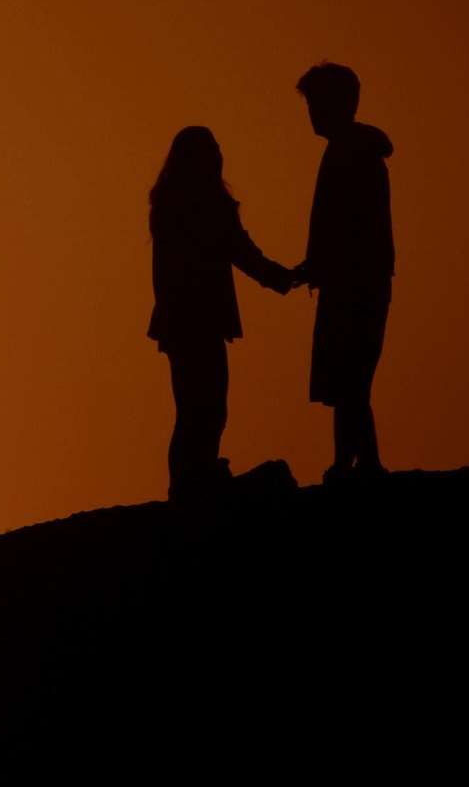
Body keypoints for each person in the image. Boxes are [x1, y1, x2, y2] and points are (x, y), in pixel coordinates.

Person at [148, 126, 298, 500]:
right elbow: (240, 250)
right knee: (206, 405)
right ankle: (191, 482)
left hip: (182, 319)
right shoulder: (201, 204)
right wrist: (280, 277)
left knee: (196, 406)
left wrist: (278, 277)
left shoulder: (169, 203)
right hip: (196, 318)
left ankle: (190, 479)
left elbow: (236, 249)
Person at [291, 63, 394, 484]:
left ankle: (360, 464)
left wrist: (314, 266)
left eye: (316, 103)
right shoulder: (351, 151)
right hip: (354, 280)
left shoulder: (350, 154)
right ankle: (350, 462)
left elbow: (346, 225)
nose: (312, 113)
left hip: (355, 284)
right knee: (348, 379)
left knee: (350, 376)